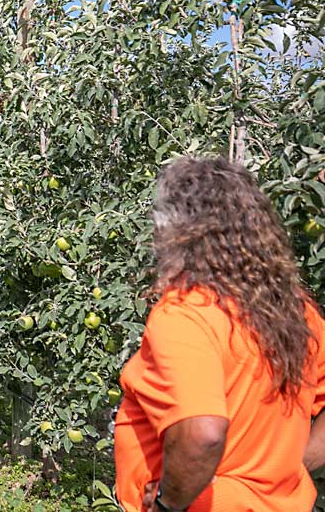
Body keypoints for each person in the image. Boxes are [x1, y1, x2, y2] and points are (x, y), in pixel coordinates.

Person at [114, 157, 325, 512]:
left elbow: (203, 433)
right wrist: (284, 468)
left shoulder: (187, 313)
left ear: (176, 231)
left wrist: (167, 506)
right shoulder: (294, 311)